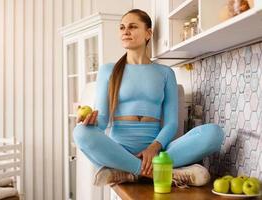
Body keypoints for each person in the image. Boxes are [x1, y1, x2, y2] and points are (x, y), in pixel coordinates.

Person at [73, 9, 224, 187]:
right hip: (120, 151)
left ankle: (129, 172)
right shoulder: (109, 70)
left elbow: (171, 123)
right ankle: (154, 172)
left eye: (132, 26)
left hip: (158, 152)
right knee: (79, 132)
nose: (125, 31)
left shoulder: (165, 73)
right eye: (122, 27)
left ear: (148, 33)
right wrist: (89, 122)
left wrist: (154, 147)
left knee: (214, 133)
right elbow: (103, 120)